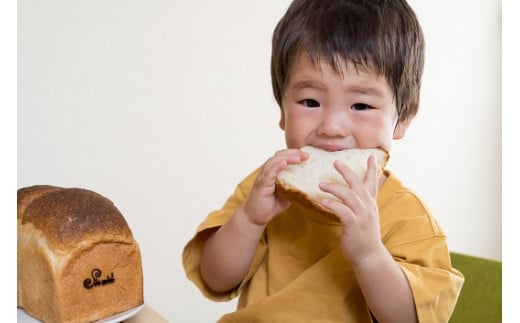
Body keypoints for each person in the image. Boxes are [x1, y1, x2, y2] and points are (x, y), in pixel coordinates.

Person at [182, 0, 464, 322]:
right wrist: (248, 220)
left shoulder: (408, 218)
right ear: (283, 112)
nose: (331, 127)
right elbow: (217, 278)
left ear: (402, 119)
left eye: (360, 105)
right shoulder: (268, 186)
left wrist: (369, 254)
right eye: (310, 101)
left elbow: (409, 318)